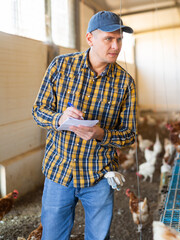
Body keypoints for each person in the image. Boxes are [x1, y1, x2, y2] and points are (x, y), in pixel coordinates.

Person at [32, 11, 136, 240]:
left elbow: (129, 135)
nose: (116, 46)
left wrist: (101, 134)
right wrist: (59, 118)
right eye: (108, 39)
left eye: (119, 39)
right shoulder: (61, 67)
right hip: (59, 170)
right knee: (52, 236)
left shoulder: (125, 83)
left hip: (98, 175)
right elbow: (38, 111)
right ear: (90, 39)